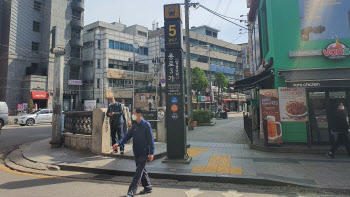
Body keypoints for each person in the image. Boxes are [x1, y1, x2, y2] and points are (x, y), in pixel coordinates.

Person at [113, 108, 155, 197]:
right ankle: (148, 187)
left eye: (134, 113)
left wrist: (152, 153)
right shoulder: (134, 126)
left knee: (138, 174)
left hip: (144, 153)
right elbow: (127, 136)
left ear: (139, 114)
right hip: (136, 152)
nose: (132, 115)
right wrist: (118, 143)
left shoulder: (146, 125)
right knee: (142, 170)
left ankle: (131, 192)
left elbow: (151, 140)